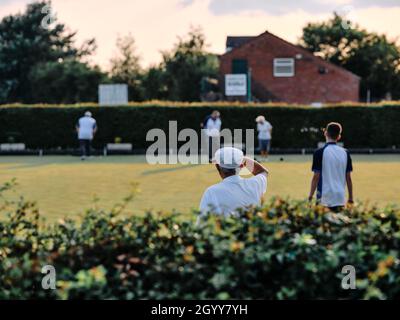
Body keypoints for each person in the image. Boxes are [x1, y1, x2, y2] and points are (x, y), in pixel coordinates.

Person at [197, 147, 269, 223]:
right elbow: (263, 171)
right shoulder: (255, 184)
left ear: (217, 167)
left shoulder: (211, 192)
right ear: (241, 166)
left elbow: (201, 223)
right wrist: (243, 159)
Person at [308, 122, 354, 212]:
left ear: (325, 133)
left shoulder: (319, 152)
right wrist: (351, 198)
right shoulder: (346, 153)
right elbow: (348, 178)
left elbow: (316, 177)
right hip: (340, 198)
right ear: (339, 136)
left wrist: (310, 196)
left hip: (324, 199)